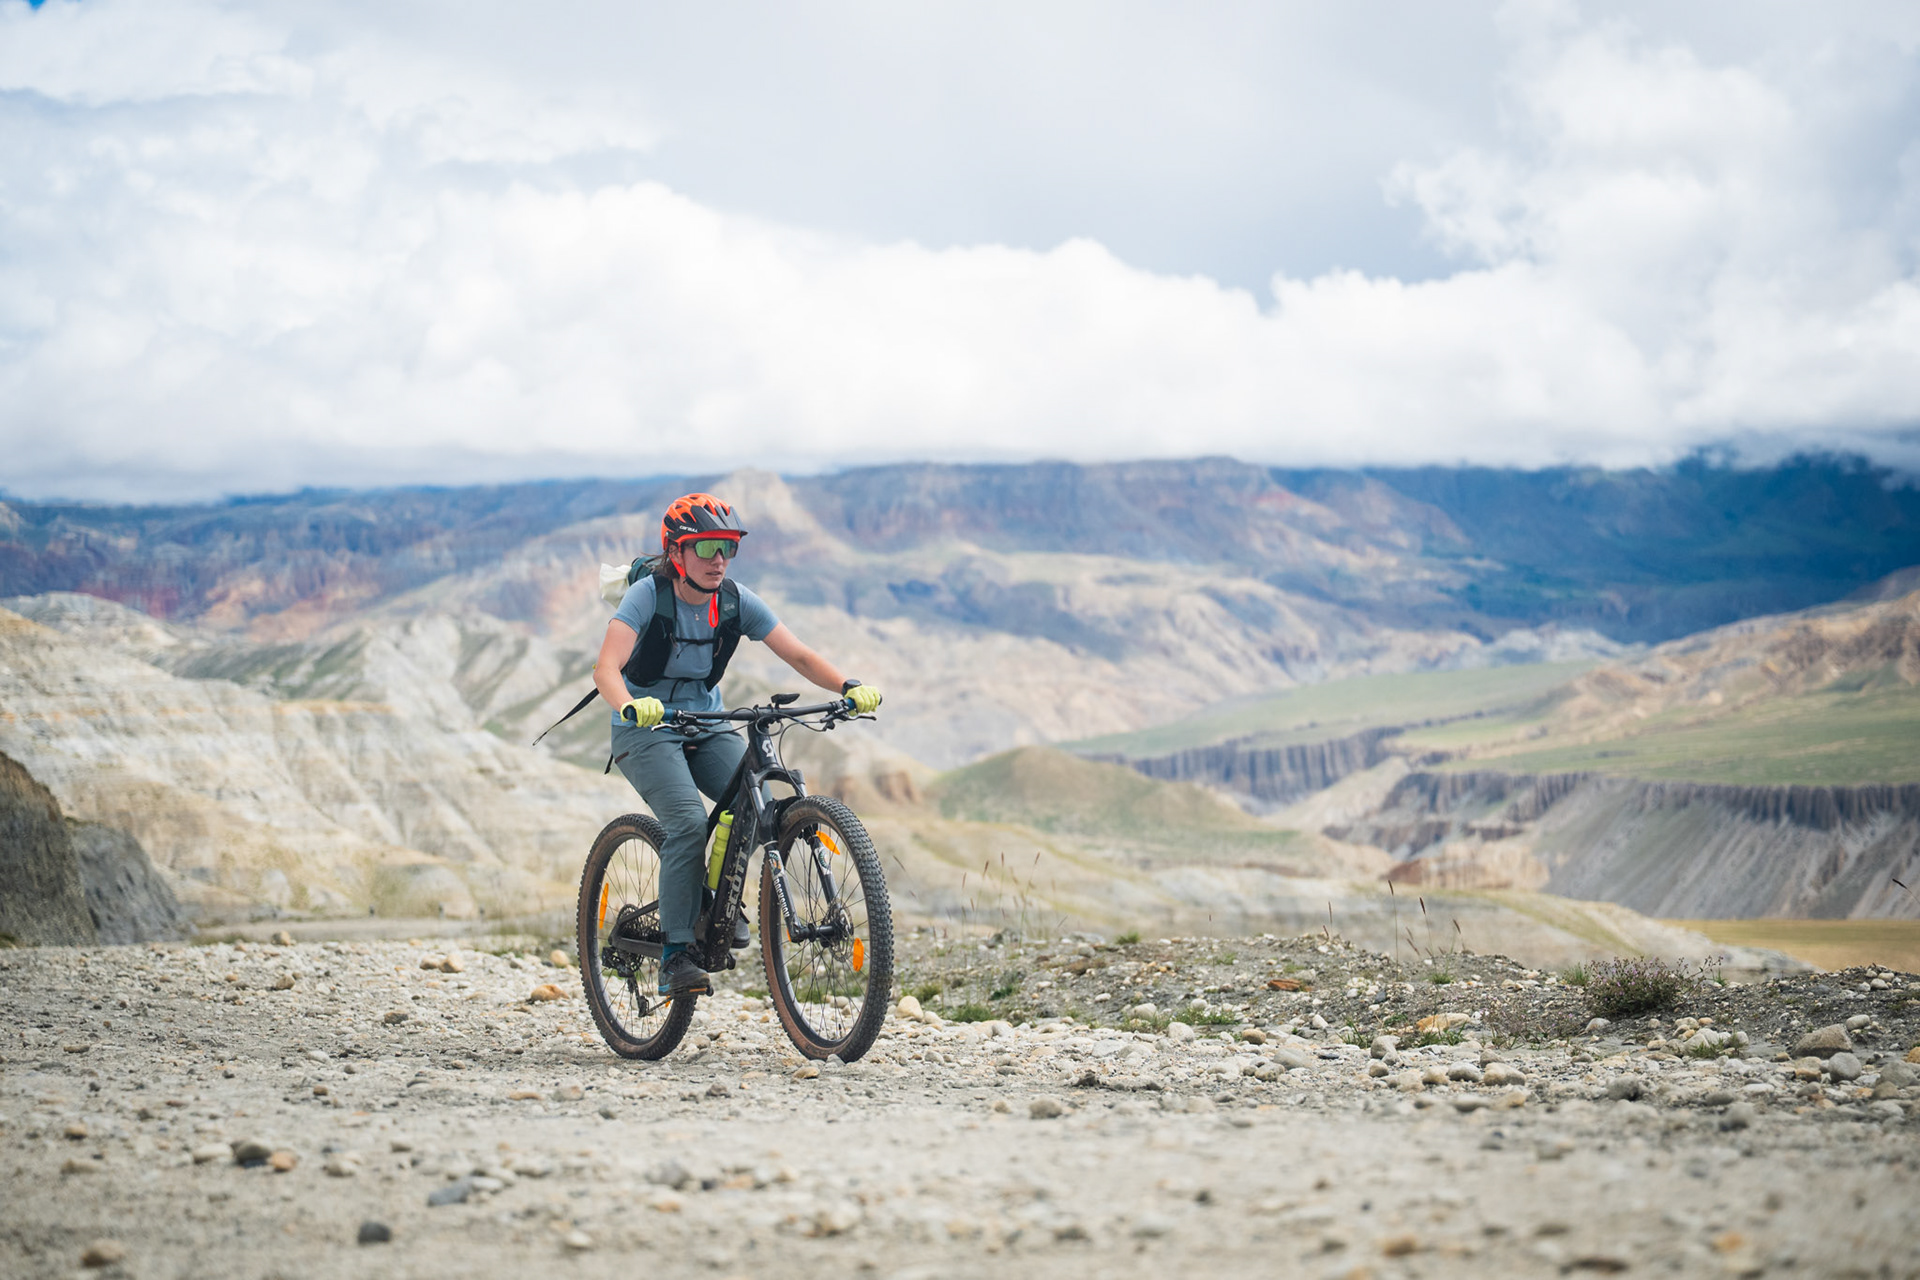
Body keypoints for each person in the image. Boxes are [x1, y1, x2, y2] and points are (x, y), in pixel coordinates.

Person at [592, 492, 882, 997]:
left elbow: (798, 654)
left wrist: (847, 687)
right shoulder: (649, 596)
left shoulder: (734, 600)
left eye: (727, 548)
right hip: (645, 725)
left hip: (705, 720)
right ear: (677, 552)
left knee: (759, 805)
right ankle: (676, 954)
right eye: (706, 548)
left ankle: (715, 898)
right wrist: (630, 706)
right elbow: (606, 670)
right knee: (684, 821)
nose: (719, 559)